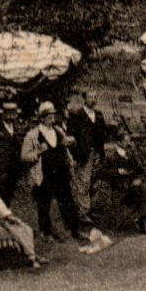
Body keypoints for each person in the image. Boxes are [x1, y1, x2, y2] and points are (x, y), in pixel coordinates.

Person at [21, 101, 83, 242]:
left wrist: (71, 142)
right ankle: (46, 232)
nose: (52, 118)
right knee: (44, 203)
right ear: (42, 118)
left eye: (53, 115)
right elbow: (24, 156)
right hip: (44, 174)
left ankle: (74, 229)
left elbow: (66, 144)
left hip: (61, 172)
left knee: (66, 200)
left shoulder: (58, 131)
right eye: (49, 116)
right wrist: (38, 152)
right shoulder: (33, 135)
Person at [66, 89, 111, 230]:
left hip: (97, 154)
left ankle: (88, 209)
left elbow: (103, 134)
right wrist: (75, 154)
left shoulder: (98, 115)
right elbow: (71, 137)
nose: (93, 99)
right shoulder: (77, 115)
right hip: (83, 155)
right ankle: (83, 213)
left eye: (95, 97)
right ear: (84, 99)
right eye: (91, 97)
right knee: (83, 183)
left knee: (93, 181)